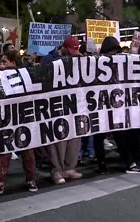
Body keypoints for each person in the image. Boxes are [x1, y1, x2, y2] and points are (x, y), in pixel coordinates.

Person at [95, 37, 140, 174]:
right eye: (112, 52)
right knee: (99, 136)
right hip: (101, 106)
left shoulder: (122, 63)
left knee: (121, 133)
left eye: (116, 52)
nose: (114, 55)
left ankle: (131, 162)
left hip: (118, 106)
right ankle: (102, 164)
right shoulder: (96, 64)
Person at [0, 50, 38, 194]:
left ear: (13, 63)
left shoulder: (26, 76)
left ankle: (31, 179)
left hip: (23, 118)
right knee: (4, 151)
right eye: (1, 62)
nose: (2, 64)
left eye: (4, 62)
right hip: (6, 118)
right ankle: (1, 181)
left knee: (28, 151)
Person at [46, 36, 83, 184]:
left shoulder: (77, 59)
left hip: (74, 103)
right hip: (57, 103)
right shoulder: (50, 59)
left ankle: (69, 167)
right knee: (58, 138)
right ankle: (57, 170)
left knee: (75, 136)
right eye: (72, 50)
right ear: (65, 48)